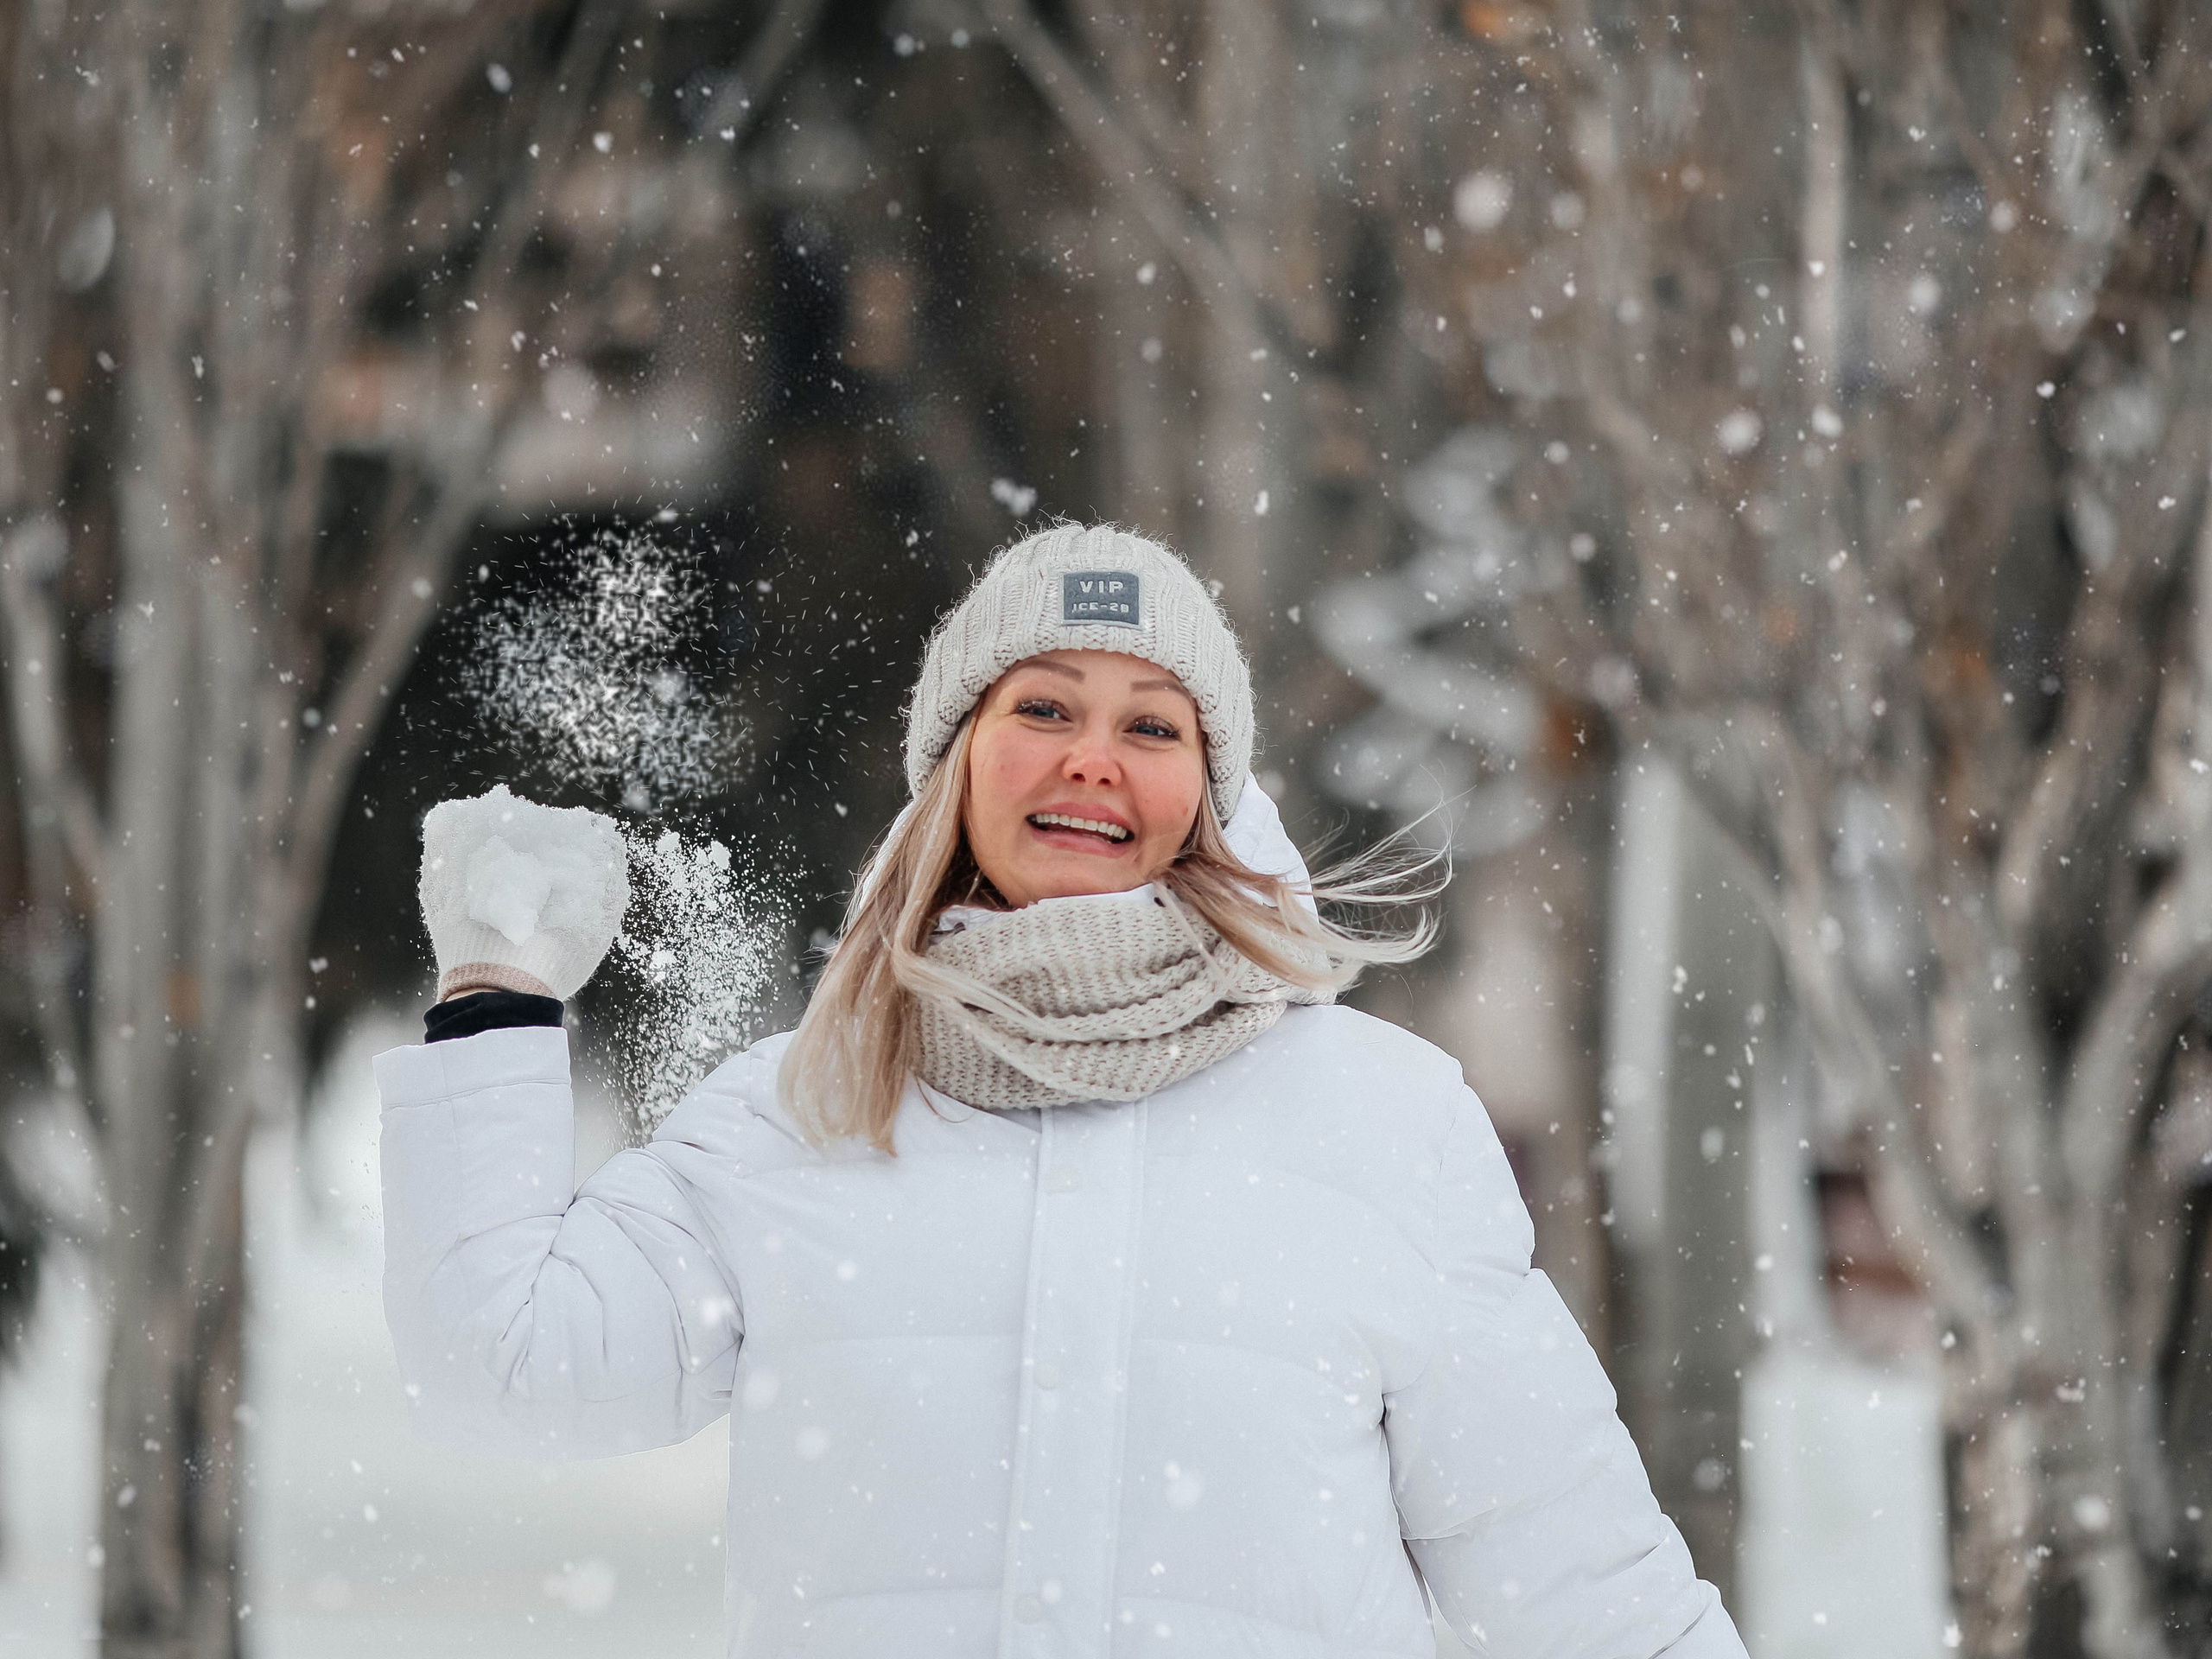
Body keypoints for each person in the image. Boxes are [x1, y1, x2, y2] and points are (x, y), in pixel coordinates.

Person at [377, 522, 1749, 1657]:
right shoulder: (801, 1113)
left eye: (1153, 725)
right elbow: (505, 1368)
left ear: (1209, 792)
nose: (1094, 757)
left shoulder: (1384, 1126)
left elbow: (1584, 1588)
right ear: (956, 764)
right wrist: (496, 985)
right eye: (1042, 707)